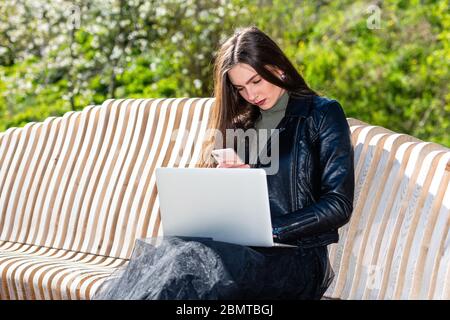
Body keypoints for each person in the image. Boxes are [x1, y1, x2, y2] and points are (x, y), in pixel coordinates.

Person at [93, 26, 354, 300]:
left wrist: (269, 229)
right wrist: (226, 184)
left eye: (256, 81)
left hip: (295, 258)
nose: (251, 95)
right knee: (169, 258)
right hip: (237, 251)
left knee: (190, 262)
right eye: (240, 88)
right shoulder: (241, 125)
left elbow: (338, 204)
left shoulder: (321, 114)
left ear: (278, 68)